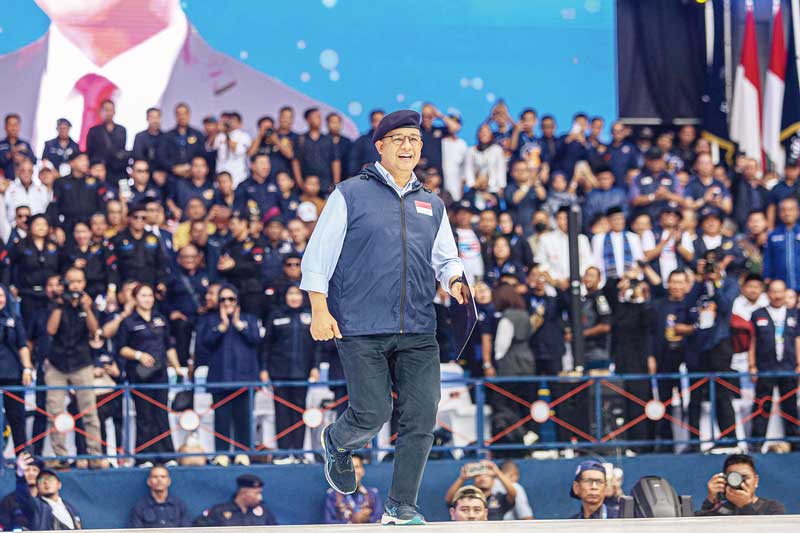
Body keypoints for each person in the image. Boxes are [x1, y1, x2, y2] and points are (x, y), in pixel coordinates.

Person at [300, 110, 465, 525]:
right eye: (398, 140)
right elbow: (317, 256)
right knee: (372, 413)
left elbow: (445, 259)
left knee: (422, 415)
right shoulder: (349, 194)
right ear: (380, 147)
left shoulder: (432, 203)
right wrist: (320, 310)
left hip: (418, 326)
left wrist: (457, 280)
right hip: (360, 325)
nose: (407, 147)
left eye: (413, 139)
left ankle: (400, 506)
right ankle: (338, 441)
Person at [45, 267, 107, 468]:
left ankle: (95, 455)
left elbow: (95, 332)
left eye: (79, 282)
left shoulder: (88, 304)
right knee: (55, 412)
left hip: (81, 362)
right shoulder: (56, 303)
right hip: (57, 364)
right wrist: (60, 305)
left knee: (89, 412)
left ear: (84, 283)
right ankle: (60, 456)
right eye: (71, 282)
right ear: (64, 284)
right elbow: (51, 330)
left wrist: (87, 308)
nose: (75, 286)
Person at [196, 284, 262, 466]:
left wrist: (240, 326)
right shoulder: (209, 321)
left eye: (231, 299)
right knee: (222, 418)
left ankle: (243, 453)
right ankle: (222, 453)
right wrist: (222, 327)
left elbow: (257, 341)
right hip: (220, 378)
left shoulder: (249, 319)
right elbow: (204, 344)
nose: (227, 303)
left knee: (244, 417)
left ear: (237, 301)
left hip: (245, 378)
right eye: (223, 299)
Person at [116, 283, 182, 466]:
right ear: (136, 298)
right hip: (140, 374)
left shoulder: (160, 319)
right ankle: (144, 456)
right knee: (144, 415)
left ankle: (167, 456)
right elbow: (120, 348)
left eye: (150, 295)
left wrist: (176, 367)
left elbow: (168, 346)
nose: (147, 299)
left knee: (161, 412)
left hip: (160, 373)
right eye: (143, 296)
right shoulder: (129, 322)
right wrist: (138, 355)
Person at [262, 285, 319, 460]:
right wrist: (263, 369)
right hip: (279, 372)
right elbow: (266, 345)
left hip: (302, 373)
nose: (294, 297)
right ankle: (283, 453)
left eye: (297, 294)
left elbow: (317, 345)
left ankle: (299, 452)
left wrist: (315, 367)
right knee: (282, 413)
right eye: (290, 293)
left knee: (300, 413)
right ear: (285, 296)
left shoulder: (311, 315)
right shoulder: (276, 315)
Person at [749, 279, 800, 450]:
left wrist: (799, 363)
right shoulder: (758, 314)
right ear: (768, 293)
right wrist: (752, 365)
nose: (777, 296)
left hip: (788, 368)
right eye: (774, 292)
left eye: (780, 292)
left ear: (785, 293)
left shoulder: (794, 314)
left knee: (791, 407)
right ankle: (756, 445)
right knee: (762, 407)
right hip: (766, 368)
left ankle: (795, 445)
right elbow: (753, 341)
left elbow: (798, 340)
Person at [0, 283, 34, 456]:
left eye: (2, 296)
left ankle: (23, 458)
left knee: (17, 419)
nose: (0, 299)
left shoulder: (14, 317)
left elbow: (23, 345)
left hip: (12, 375)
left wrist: (27, 368)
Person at [107, 204, 170, 296]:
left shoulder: (153, 238)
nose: (139, 220)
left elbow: (161, 262)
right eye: (136, 217)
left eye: (143, 218)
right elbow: (112, 267)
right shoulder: (117, 239)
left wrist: (161, 282)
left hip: (150, 287)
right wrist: (114, 289)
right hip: (126, 288)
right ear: (129, 218)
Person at [698, 454, 785, 515]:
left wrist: (745, 506)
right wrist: (710, 500)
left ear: (756, 481)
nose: (740, 482)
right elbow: (699, 527)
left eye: (745, 477)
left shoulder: (772, 508)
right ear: (725, 480)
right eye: (734, 478)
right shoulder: (720, 509)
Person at [14, 453, 83, 530]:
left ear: (59, 484)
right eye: (41, 480)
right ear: (37, 486)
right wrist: (20, 475)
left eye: (50, 479)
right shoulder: (36, 507)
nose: (46, 482)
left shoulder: (71, 508)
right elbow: (24, 498)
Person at [444, 460, 517, 521]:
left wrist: (497, 473)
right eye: (478, 476)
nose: (482, 478)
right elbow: (449, 499)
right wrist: (462, 478)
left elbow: (513, 494)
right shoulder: (465, 499)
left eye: (486, 476)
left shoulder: (499, 498)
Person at [194, 474, 277, 526]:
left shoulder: (264, 513)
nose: (260, 498)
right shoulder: (219, 511)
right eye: (256, 493)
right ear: (244, 494)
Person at [324, 455, 383, 524]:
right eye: (349, 468)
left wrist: (367, 519)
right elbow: (328, 522)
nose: (353, 471)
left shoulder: (372, 494)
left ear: (363, 470)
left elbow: (379, 518)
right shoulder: (333, 495)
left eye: (357, 467)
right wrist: (352, 521)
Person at [764, 197, 800, 290]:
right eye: (783, 210)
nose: (787, 213)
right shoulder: (773, 235)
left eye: (791, 210)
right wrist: (767, 277)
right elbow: (767, 259)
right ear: (779, 213)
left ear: (797, 212)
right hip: (781, 289)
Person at [85, 99, 127, 179]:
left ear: (114, 112)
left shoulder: (121, 130)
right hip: (98, 171)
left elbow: (121, 150)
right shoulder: (93, 131)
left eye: (111, 110)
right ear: (101, 112)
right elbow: (89, 152)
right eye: (106, 110)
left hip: (118, 171)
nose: (108, 113)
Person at [0, 455, 41, 530]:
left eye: (35, 470)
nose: (31, 473)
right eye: (27, 470)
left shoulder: (46, 500)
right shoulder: (8, 500)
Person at [4, 158, 50, 224]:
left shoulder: (42, 189)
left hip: (37, 227)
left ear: (33, 172)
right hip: (15, 228)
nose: (26, 174)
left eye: (29, 171)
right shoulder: (9, 189)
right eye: (23, 171)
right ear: (18, 172)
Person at [213, 112, 252, 187]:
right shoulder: (220, 135)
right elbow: (210, 147)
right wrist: (217, 129)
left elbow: (237, 151)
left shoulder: (244, 136)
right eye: (229, 121)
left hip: (238, 176)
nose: (230, 123)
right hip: (221, 174)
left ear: (240, 123)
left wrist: (227, 135)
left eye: (233, 121)